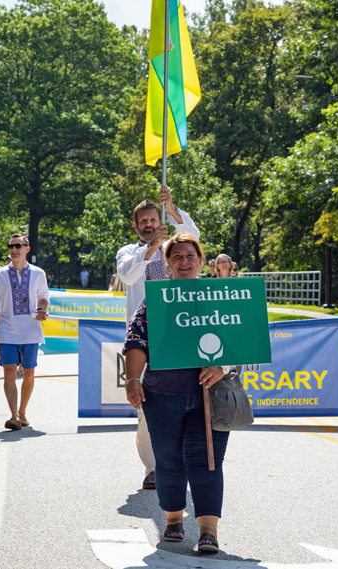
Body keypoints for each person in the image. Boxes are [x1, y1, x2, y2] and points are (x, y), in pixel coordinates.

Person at [124, 233, 230, 553]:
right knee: (168, 461)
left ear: (201, 260)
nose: (184, 261)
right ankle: (173, 520)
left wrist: (222, 367)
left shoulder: (221, 297)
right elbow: (136, 341)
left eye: (190, 255)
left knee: (207, 461)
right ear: (168, 263)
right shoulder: (154, 300)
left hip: (209, 397)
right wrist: (132, 379)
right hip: (161, 396)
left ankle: (208, 531)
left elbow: (242, 339)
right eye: (177, 256)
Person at [116, 186, 200, 490]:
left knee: (184, 399)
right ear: (136, 226)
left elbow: (192, 235)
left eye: (154, 219)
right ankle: (154, 468)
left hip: (181, 331)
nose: (150, 225)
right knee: (146, 405)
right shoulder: (129, 252)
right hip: (146, 335)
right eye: (144, 222)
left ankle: (182, 461)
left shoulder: (173, 248)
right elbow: (127, 275)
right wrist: (152, 248)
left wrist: (173, 208)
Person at [0, 234, 50, 431]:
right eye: (11, 246)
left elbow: (44, 297)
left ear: (27, 249)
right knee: (9, 372)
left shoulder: (39, 273)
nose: (14, 249)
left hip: (30, 331)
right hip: (6, 332)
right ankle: (13, 416)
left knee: (29, 373)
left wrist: (41, 308)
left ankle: (22, 412)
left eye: (18, 246)